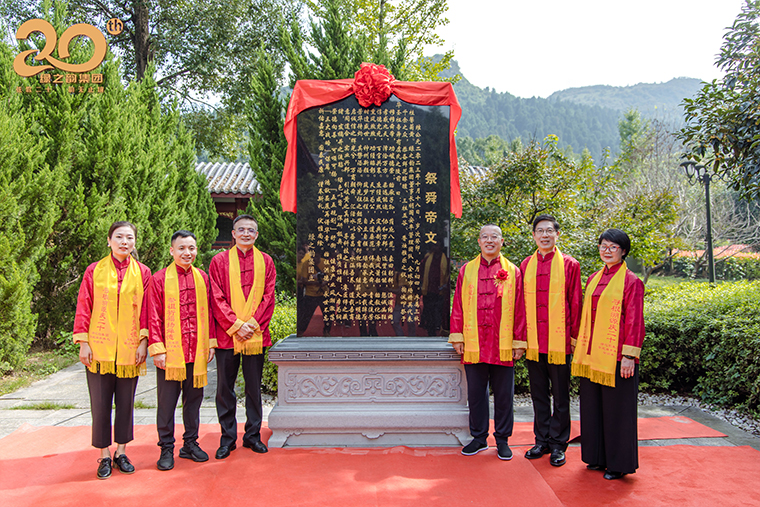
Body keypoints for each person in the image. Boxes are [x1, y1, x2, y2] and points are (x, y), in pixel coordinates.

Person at [73, 221, 152, 479]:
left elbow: (146, 310)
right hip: (99, 349)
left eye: (129, 237)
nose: (124, 242)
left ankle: (121, 452)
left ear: (135, 242)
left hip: (130, 348)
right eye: (119, 237)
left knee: (126, 403)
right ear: (109, 240)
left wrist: (143, 342)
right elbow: (84, 305)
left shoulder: (143, 272)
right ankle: (104, 455)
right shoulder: (94, 270)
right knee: (100, 404)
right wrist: (83, 342)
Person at [449, 224, 527, 460]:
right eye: (485, 237)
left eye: (494, 237)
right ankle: (479, 437)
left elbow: (520, 308)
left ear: (502, 241)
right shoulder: (467, 270)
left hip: (502, 342)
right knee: (476, 394)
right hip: (474, 341)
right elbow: (458, 304)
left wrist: (518, 342)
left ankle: (502, 439)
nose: (489, 240)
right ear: (479, 241)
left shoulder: (513, 271)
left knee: (504, 395)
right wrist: (458, 336)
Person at [572, 229, 645, 480]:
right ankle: (596, 457)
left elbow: (635, 321)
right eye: (603, 246)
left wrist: (629, 356)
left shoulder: (631, 281)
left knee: (617, 411)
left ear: (623, 251)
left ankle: (618, 463)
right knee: (593, 408)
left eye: (613, 247)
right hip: (592, 355)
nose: (607, 251)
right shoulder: (594, 278)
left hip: (617, 357)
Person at [147, 230, 216, 471]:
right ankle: (166, 447)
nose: (187, 253)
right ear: (172, 251)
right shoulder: (159, 279)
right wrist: (158, 349)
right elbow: (153, 315)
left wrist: (210, 343)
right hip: (171, 353)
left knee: (194, 402)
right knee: (167, 403)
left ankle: (190, 443)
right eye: (182, 248)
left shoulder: (202, 278)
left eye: (191, 248)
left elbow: (209, 313)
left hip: (196, 351)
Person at [209, 215, 276, 459]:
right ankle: (227, 438)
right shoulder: (219, 261)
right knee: (225, 389)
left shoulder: (266, 261)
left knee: (253, 388)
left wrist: (253, 324)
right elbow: (216, 297)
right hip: (228, 336)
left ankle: (252, 435)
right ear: (233, 234)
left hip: (255, 335)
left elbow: (269, 296)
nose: (246, 233)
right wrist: (237, 325)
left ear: (256, 235)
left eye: (250, 230)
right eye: (241, 229)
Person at [520, 215, 582, 467]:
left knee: (561, 395)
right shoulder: (526, 265)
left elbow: (576, 302)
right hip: (534, 341)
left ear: (557, 234)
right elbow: (519, 306)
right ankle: (541, 439)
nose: (544, 235)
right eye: (539, 231)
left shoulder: (569, 264)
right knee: (538, 394)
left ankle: (558, 443)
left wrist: (575, 339)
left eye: (549, 231)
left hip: (559, 341)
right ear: (534, 235)